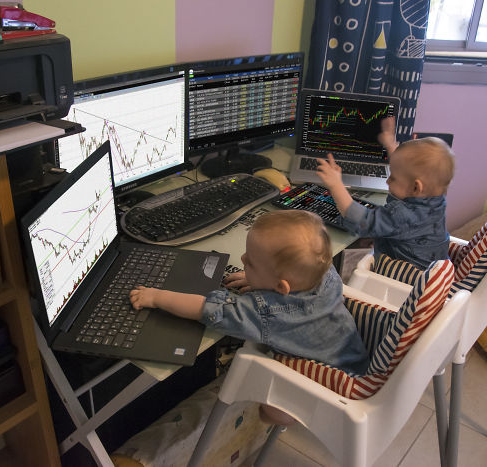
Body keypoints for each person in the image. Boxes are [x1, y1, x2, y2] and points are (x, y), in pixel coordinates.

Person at [129, 210, 369, 423]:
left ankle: (283, 415)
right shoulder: (325, 273)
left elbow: (207, 309)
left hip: (333, 386)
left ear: (281, 287)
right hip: (355, 357)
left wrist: (156, 297)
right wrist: (261, 277)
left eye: (250, 262)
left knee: (271, 411)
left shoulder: (265, 313)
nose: (243, 259)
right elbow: (290, 281)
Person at [316, 117, 455, 269]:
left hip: (404, 278)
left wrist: (336, 185)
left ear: (416, 187)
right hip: (433, 267)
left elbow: (363, 222)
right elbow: (404, 169)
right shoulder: (436, 199)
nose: (388, 181)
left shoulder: (402, 214)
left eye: (393, 178)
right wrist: (391, 146)